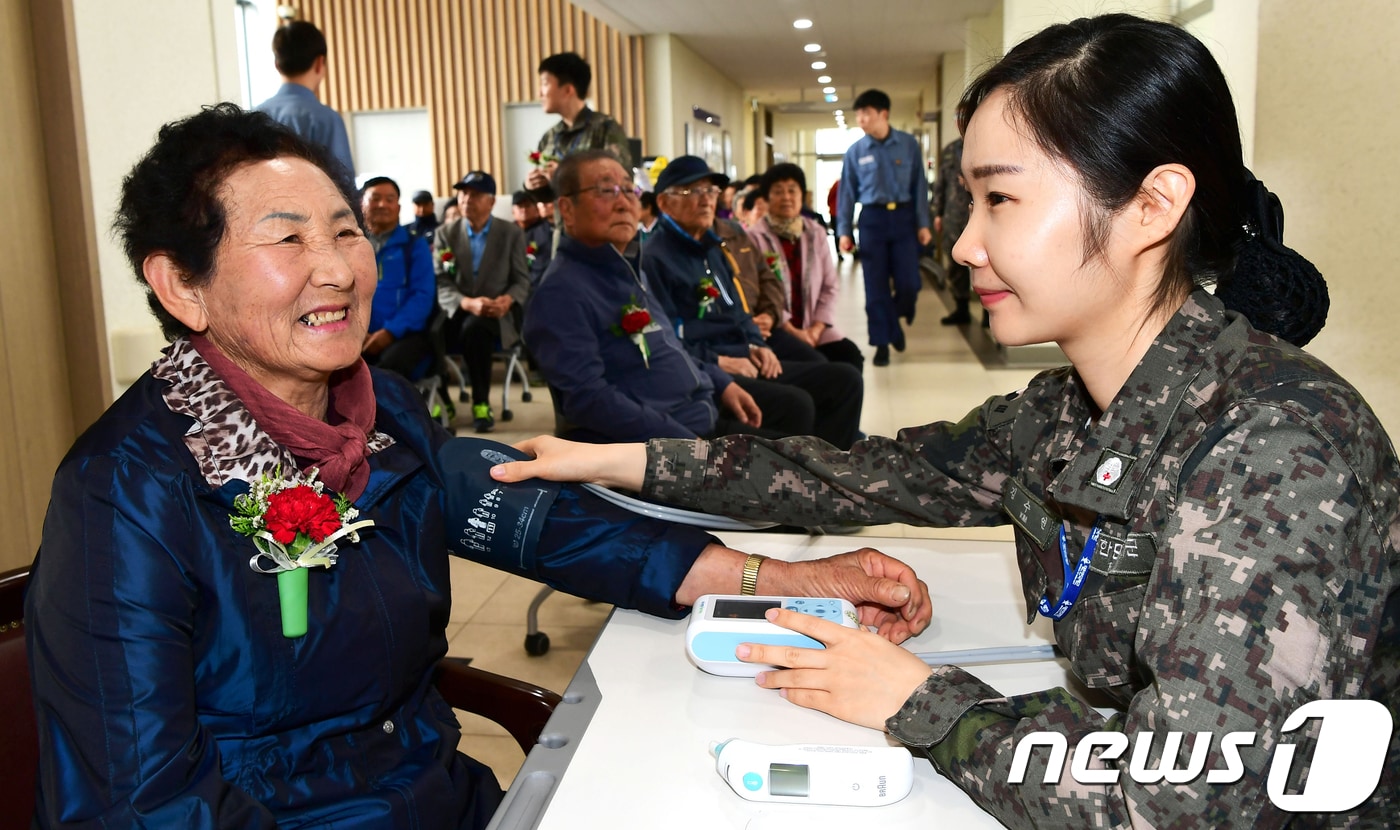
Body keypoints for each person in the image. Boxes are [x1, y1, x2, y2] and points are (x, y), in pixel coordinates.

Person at [490, 14, 1398, 827]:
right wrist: (617, 458)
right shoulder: (1070, 409)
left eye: (1000, 200)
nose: (964, 244)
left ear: (1152, 206)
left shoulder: (1275, 448)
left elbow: (1187, 803)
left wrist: (918, 698)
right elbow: (856, 473)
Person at [24, 103, 934, 829]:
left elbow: (537, 517)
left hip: (440, 797)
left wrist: (782, 578)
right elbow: (138, 807)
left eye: (345, 233)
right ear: (181, 285)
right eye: (287, 239)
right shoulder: (126, 495)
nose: (337, 269)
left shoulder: (382, 412)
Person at [525, 149, 771, 444]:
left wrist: (722, 383)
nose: (624, 202)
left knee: (799, 419)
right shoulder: (560, 293)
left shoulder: (627, 267)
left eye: (629, 189)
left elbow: (671, 344)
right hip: (667, 446)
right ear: (566, 209)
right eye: (606, 190)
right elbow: (588, 400)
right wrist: (685, 446)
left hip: (702, 411)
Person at [643, 156, 864, 450]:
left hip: (744, 350)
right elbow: (667, 338)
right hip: (713, 365)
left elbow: (738, 308)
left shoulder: (712, 247)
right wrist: (718, 362)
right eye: (692, 192)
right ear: (664, 202)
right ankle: (807, 477)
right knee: (798, 404)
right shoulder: (655, 258)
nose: (706, 200)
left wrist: (756, 343)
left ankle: (833, 471)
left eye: (710, 191)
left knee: (845, 379)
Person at [836, 88, 932, 367]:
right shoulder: (856, 152)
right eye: (859, 114)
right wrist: (844, 231)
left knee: (909, 284)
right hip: (872, 221)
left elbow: (919, 186)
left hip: (903, 219)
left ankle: (894, 320)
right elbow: (847, 195)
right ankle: (881, 344)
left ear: (883, 114)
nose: (861, 119)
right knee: (875, 287)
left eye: (866, 113)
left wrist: (922, 224)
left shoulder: (907, 145)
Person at [434, 171, 530, 433]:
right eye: (463, 193)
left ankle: (480, 403)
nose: (466, 199)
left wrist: (508, 300)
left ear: (491, 201)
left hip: (496, 313)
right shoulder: (446, 233)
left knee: (475, 329)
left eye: (475, 194)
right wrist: (466, 302)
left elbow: (522, 280)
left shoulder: (510, 233)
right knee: (430, 330)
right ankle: (441, 399)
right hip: (457, 308)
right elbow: (441, 281)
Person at [746, 163, 864, 373]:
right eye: (778, 192)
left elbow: (830, 286)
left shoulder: (815, 232)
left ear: (802, 195)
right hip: (777, 329)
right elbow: (758, 293)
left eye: (792, 190)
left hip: (814, 326)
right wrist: (793, 331)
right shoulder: (753, 238)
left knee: (851, 357)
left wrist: (816, 329)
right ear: (765, 198)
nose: (786, 197)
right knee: (818, 365)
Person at [254, 20, 354, 178]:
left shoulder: (254, 117)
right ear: (320, 63)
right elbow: (344, 183)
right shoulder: (326, 119)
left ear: (277, 64)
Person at [360, 176, 435, 378]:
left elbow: (422, 296)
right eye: (375, 198)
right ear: (361, 204)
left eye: (390, 199)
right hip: (356, 334)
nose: (382, 204)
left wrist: (390, 331)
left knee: (386, 375)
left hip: (404, 335)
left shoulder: (415, 246)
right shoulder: (349, 246)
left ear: (399, 207)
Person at [526, 52, 632, 194]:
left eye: (545, 84)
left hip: (598, 215)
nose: (540, 93)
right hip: (563, 216)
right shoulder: (550, 136)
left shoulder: (605, 128)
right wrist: (532, 186)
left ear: (568, 90)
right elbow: (549, 197)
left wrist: (567, 176)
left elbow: (621, 180)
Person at [930, 138, 976, 326]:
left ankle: (989, 315)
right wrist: (937, 213)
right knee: (955, 263)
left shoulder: (986, 138)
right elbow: (940, 184)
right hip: (953, 215)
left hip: (979, 213)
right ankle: (961, 308)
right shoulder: (951, 149)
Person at [511, 190, 553, 289]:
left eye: (528, 205)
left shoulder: (546, 229)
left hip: (537, 285)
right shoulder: (507, 232)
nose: (524, 210)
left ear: (536, 209)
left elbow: (542, 265)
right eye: (520, 206)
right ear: (513, 212)